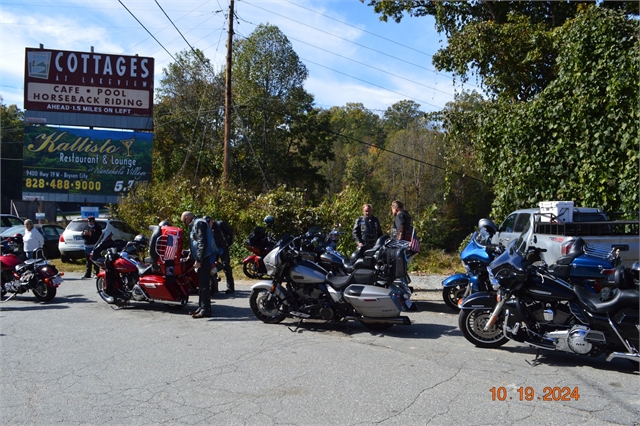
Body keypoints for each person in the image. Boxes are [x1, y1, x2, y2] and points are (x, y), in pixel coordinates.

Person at [181, 211, 218, 319]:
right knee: (201, 284)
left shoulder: (198, 223)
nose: (185, 223)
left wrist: (198, 259)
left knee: (204, 284)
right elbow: (195, 243)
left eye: (184, 221)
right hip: (204, 256)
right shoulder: (197, 223)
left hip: (205, 257)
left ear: (187, 217)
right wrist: (191, 256)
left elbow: (202, 242)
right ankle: (202, 307)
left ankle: (205, 310)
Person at [209, 218, 235, 294]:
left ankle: (230, 287)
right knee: (213, 267)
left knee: (226, 266)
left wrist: (228, 244)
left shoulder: (220, 224)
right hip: (213, 249)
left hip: (223, 248)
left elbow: (231, 233)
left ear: (212, 221)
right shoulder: (206, 227)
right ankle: (215, 286)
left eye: (209, 223)